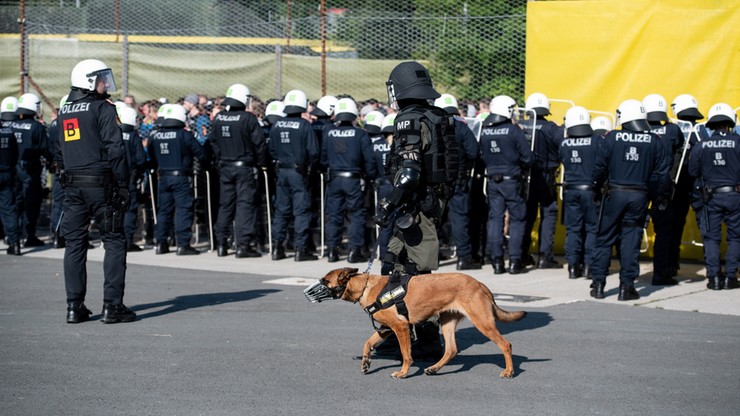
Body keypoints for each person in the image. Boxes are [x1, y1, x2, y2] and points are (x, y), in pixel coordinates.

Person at [373, 61, 459, 360]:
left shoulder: (409, 119)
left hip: (416, 204)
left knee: (410, 273)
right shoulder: (438, 116)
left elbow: (409, 172)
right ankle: (401, 333)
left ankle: (425, 339)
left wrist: (388, 204)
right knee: (399, 266)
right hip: (431, 201)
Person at [55, 59, 135, 323]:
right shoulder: (103, 108)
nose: (105, 83)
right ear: (88, 80)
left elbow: (57, 150)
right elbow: (116, 149)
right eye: (100, 79)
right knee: (113, 241)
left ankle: (73, 306)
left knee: (75, 244)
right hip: (101, 185)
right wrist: (123, 185)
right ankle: (112, 306)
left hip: (72, 186)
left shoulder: (65, 109)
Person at [590, 99, 670, 300]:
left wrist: (596, 189)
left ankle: (599, 284)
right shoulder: (654, 140)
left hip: (615, 193)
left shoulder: (612, 138)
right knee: (631, 241)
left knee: (604, 239)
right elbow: (662, 175)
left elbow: (599, 168)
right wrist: (658, 196)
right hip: (639, 195)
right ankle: (626, 287)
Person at [209, 83, 267, 258]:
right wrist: (262, 163)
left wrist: (220, 158)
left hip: (226, 166)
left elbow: (212, 141)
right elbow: (259, 144)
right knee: (244, 206)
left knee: (225, 205)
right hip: (244, 168)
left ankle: (221, 243)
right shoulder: (248, 119)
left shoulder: (219, 117)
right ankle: (243, 245)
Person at [479, 95, 535, 274]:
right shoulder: (513, 130)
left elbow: (482, 156)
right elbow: (528, 158)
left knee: (495, 219)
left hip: (492, 181)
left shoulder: (485, 130)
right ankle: (515, 261)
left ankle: (497, 262)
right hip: (512, 181)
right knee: (517, 219)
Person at [688, 103, 739, 290]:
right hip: (735, 195)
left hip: (710, 197)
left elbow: (692, 171)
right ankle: (731, 277)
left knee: (711, 238)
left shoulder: (702, 145)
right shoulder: (738, 141)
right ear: (730, 123)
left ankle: (714, 278)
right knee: (735, 237)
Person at [322, 97, 377, 263]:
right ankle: (354, 251)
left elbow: (323, 158)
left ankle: (332, 251)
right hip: (354, 180)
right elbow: (369, 159)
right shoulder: (360, 134)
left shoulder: (329, 133)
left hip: (334, 179)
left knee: (334, 215)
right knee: (356, 215)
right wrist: (370, 175)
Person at [268, 89, 320, 261]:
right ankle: (300, 249)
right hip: (298, 172)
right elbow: (313, 152)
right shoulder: (304, 125)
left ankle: (277, 247)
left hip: (281, 171)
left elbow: (272, 150)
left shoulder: (277, 124)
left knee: (281, 211)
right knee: (301, 211)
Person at [148, 103, 205, 256]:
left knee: (164, 211)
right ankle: (183, 244)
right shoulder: (184, 134)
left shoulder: (155, 135)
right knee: (183, 210)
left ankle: (161, 243)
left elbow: (151, 157)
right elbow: (201, 154)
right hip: (180, 177)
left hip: (163, 177)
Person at [434, 93, 481, 270]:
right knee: (459, 219)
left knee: (434, 220)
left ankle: (433, 256)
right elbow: (473, 152)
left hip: (436, 181)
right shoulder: (461, 127)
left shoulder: (433, 127)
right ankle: (463, 258)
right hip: (458, 181)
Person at [643, 93, 684, 286]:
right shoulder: (673, 130)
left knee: (631, 229)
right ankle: (661, 273)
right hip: (662, 186)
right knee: (664, 231)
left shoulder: (638, 131)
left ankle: (629, 273)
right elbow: (679, 150)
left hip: (640, 185)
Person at [520, 92, 563, 269]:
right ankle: (545, 256)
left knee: (527, 216)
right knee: (549, 214)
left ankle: (523, 254)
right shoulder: (552, 128)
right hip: (547, 176)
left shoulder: (522, 126)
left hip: (527, 176)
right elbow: (564, 147)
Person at [669, 94, 709, 278]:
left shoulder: (672, 129)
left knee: (674, 225)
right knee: (707, 226)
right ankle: (712, 267)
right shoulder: (703, 131)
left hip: (677, 184)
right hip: (699, 184)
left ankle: (671, 263)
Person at [559, 106, 600, 279]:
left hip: (571, 190)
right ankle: (589, 267)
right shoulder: (597, 141)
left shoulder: (564, 143)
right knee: (592, 229)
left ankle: (573, 267)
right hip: (591, 189)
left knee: (573, 230)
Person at [13, 92, 49, 247]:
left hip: (14, 169)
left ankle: (14, 235)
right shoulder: (36, 127)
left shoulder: (11, 124)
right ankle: (29, 235)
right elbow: (45, 149)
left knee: (15, 202)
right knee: (31, 202)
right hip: (30, 169)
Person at [117, 104, 147, 252]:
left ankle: (113, 240)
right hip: (129, 179)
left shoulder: (111, 134)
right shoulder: (134, 137)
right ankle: (128, 241)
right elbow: (141, 159)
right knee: (129, 210)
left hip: (112, 179)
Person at [47, 95, 68, 249]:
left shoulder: (54, 124)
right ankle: (63, 235)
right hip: (69, 167)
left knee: (58, 202)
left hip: (57, 167)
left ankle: (56, 233)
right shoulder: (70, 123)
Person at [1, 96, 21, 255]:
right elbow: (15, 154)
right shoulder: (9, 132)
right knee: (9, 209)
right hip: (7, 173)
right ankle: (14, 242)